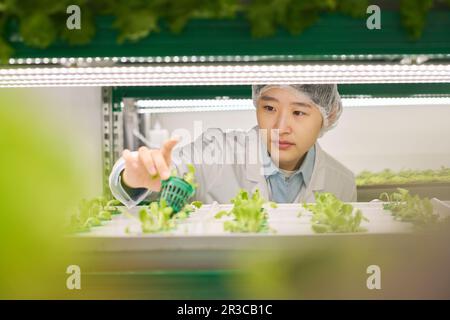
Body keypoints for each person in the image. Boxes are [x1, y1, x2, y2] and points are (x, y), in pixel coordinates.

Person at [110, 84, 356, 207]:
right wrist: (134, 177)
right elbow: (171, 168)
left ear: (328, 115)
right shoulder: (216, 151)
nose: (281, 127)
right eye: (269, 108)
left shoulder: (341, 182)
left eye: (299, 112)